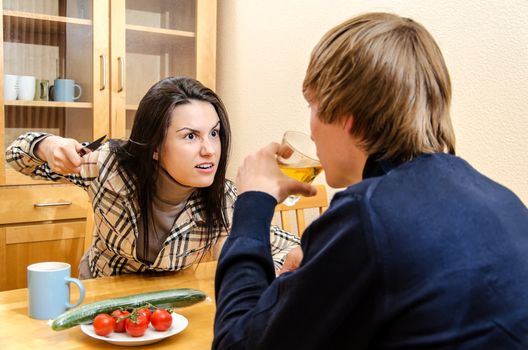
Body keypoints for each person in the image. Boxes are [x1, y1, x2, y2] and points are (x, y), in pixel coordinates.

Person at [213, 12, 528, 349]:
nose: (313, 130)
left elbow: (235, 343)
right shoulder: (507, 203)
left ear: (347, 116)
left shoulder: (367, 214)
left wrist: (252, 203)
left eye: (313, 105)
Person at [6, 76, 300, 279]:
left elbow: (281, 245)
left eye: (214, 133)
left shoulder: (224, 199)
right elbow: (16, 157)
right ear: (156, 146)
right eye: (190, 136)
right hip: (100, 303)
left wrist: (276, 267)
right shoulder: (108, 165)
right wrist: (47, 146)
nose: (210, 150)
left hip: (170, 312)